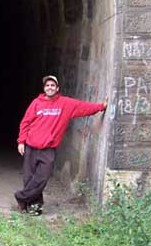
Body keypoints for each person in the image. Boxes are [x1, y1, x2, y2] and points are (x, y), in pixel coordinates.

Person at [14, 75, 106, 215]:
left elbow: (84, 107)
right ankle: (34, 207)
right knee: (29, 177)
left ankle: (21, 197)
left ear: (57, 88)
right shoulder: (36, 103)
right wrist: (21, 141)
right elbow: (25, 122)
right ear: (44, 89)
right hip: (31, 146)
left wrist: (100, 107)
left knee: (41, 178)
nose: (50, 87)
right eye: (47, 86)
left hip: (48, 149)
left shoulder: (66, 104)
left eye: (52, 85)